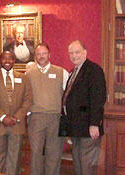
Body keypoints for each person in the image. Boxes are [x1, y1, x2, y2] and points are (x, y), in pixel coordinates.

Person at [59, 40, 106, 175]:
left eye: (77, 52)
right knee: (78, 164)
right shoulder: (73, 71)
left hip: (88, 128)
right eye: (71, 53)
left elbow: (98, 99)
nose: (74, 56)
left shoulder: (93, 70)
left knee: (87, 166)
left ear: (85, 53)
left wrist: (94, 124)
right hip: (75, 127)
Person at [26, 43, 68, 175]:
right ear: (35, 56)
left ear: (49, 55)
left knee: (54, 153)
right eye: (38, 54)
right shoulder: (28, 73)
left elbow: (68, 96)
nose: (41, 56)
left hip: (55, 118)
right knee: (36, 154)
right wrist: (28, 114)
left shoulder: (61, 72)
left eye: (44, 53)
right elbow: (25, 96)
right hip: (36, 118)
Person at [0, 51, 32, 175]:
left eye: (10, 58)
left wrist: (16, 117)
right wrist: (2, 117)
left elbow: (28, 99)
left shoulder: (23, 77)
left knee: (14, 159)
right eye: (4, 58)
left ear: (14, 60)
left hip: (16, 125)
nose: (7, 61)